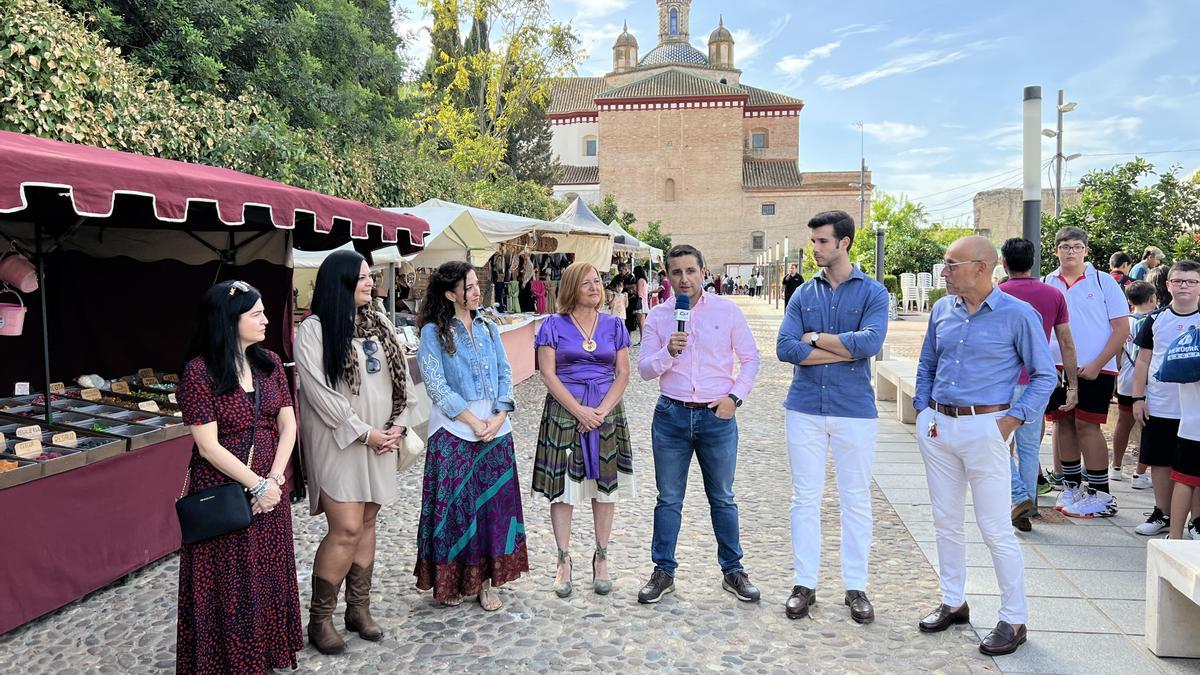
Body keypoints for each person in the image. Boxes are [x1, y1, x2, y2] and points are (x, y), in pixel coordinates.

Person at [914, 236, 1055, 657]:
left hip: (987, 427)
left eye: (951, 264)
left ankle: (1014, 618)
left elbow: (1044, 375)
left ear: (981, 267)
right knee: (945, 520)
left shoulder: (1018, 314)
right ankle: (954, 601)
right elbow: (927, 363)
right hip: (940, 427)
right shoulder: (942, 309)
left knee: (996, 528)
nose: (944, 272)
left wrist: (1009, 422)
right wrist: (924, 414)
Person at [176, 280, 303, 672]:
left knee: (266, 573)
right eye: (257, 314)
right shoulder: (199, 372)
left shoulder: (269, 364)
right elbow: (208, 446)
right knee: (231, 579)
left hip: (271, 491)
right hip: (226, 492)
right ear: (230, 321)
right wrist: (258, 484)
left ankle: (266, 654)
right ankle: (227, 660)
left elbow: (289, 424)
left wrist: (276, 479)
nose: (266, 320)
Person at [776, 211, 889, 623]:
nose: (815, 249)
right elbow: (785, 348)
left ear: (844, 243)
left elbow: (872, 343)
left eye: (822, 241)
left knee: (855, 500)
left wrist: (816, 340)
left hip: (855, 410)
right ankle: (804, 583)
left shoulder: (874, 293)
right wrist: (844, 349)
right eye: (813, 241)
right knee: (804, 499)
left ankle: (855, 587)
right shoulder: (804, 294)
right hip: (804, 407)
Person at [294, 250, 409, 654]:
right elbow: (320, 395)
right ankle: (319, 620)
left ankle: (357, 609)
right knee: (345, 528)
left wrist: (399, 423)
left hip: (381, 441)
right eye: (361, 277)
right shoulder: (314, 330)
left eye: (370, 275)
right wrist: (365, 434)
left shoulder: (379, 324)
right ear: (339, 282)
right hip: (340, 442)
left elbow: (401, 382)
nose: (370, 282)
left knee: (368, 523)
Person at [636, 244, 762, 604]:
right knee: (668, 498)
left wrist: (734, 399)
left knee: (722, 497)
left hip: (715, 415)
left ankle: (733, 570)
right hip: (671, 416)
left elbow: (751, 359)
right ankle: (663, 571)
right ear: (668, 276)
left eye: (691, 271)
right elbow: (645, 370)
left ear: (704, 272)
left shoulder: (727, 310)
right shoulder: (659, 317)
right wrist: (668, 353)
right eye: (676, 272)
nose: (684, 278)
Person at [415, 260, 528, 610]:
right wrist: (471, 421)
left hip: (495, 427)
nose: (477, 291)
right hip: (453, 427)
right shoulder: (432, 333)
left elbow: (505, 373)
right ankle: (452, 580)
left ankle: (486, 582)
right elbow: (435, 384)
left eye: (478, 284)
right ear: (451, 294)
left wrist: (498, 415)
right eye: (469, 286)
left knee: (494, 507)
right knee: (455, 508)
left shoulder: (489, 328)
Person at [532, 262, 634, 597]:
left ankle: (601, 556)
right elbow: (548, 373)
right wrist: (579, 411)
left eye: (598, 282)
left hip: (606, 412)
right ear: (571, 288)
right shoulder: (552, 325)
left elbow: (622, 373)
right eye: (586, 283)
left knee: (604, 486)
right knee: (564, 488)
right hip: (565, 412)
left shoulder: (614, 325)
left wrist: (601, 411)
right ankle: (563, 559)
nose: (595, 287)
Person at [1041, 227, 1130, 518]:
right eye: (1065, 246)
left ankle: (1101, 493)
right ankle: (1072, 486)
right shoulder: (1047, 282)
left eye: (1076, 247)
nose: (1070, 252)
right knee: (1063, 424)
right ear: (1056, 250)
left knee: (1088, 426)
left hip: (1096, 366)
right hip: (1056, 366)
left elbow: (1121, 329)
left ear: (1086, 251)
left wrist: (1097, 363)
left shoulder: (1104, 282)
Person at [997, 238, 1079, 532]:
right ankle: (1027, 501)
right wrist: (1073, 384)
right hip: (1038, 380)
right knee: (1030, 446)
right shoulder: (1053, 295)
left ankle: (1017, 498)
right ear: (1032, 262)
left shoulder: (997, 294)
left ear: (1004, 263)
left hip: (1001, 382)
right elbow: (1066, 343)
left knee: (995, 443)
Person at [1130, 260, 1200, 538]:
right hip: (1160, 404)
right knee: (1160, 461)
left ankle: (1196, 521)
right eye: (1178, 281)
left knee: (1193, 468)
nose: (1184, 286)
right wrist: (1138, 397)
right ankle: (1163, 512)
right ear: (1168, 285)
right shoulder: (1155, 319)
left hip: (1193, 410)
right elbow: (1143, 361)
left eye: (1191, 281)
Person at [1115, 282, 1158, 491]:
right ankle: (1139, 474)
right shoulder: (1156, 320)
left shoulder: (1124, 322)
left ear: (1129, 301)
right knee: (1147, 429)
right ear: (1153, 299)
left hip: (1125, 378)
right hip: (1147, 381)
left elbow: (1118, 351)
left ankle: (1115, 467)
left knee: (1123, 424)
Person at [1169, 264, 1200, 541]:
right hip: (1193, 423)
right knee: (1185, 480)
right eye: (1180, 281)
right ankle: (1175, 537)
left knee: (1190, 480)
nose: (1186, 286)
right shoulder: (1193, 331)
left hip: (1191, 421)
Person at [634, 265, 650, 336]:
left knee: (641, 323)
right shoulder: (644, 280)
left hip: (640, 302)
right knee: (642, 322)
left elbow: (638, 292)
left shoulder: (640, 280)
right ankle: (642, 338)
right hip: (644, 302)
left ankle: (642, 339)